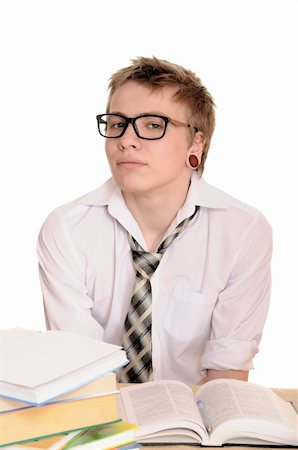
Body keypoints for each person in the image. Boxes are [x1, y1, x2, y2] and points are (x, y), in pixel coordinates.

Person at [37, 56, 272, 385]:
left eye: (152, 125)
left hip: (195, 423)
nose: (126, 140)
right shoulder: (67, 229)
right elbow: (81, 372)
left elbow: (228, 375)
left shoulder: (243, 231)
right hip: (102, 418)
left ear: (196, 142)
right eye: (117, 123)